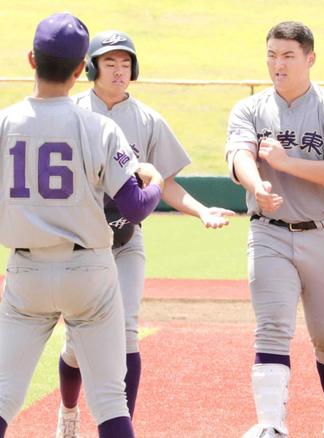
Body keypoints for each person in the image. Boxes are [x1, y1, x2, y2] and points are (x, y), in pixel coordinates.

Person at [55, 30, 235, 436]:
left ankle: (124, 428)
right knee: (76, 347)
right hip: (79, 247)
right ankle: (68, 413)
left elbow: (166, 183)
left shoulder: (147, 119)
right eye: (109, 62)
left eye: (125, 63)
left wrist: (201, 210)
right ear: (91, 67)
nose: (119, 70)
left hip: (125, 241)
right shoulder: (72, 112)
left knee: (127, 332)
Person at [0, 13, 165, 438]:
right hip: (90, 272)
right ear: (81, 69)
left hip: (25, 273)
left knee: (2, 397)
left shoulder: (4, 124)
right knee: (110, 401)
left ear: (31, 60)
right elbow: (136, 206)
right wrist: (157, 181)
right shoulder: (99, 127)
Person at [226, 21, 324, 438]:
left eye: (288, 55)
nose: (278, 64)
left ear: (310, 59)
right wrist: (257, 185)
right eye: (272, 54)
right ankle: (272, 425)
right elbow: (240, 154)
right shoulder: (250, 109)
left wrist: (287, 164)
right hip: (269, 230)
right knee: (272, 326)